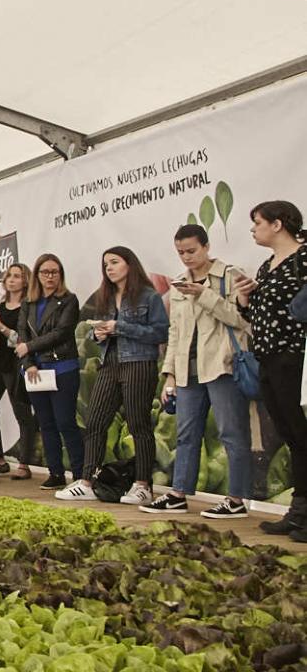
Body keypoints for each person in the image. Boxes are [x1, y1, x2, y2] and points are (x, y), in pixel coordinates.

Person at [142, 225, 253, 519]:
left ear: (206, 246)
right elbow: (175, 332)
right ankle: (178, 494)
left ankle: (237, 499)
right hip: (187, 370)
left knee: (232, 433)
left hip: (222, 366)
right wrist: (170, 374)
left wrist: (204, 294)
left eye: (191, 251)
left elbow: (241, 320)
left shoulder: (230, 275)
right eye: (180, 252)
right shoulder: (178, 283)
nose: (186, 257)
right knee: (185, 434)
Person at [56, 246, 168, 505]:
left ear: (129, 264)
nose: (109, 268)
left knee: (138, 424)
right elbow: (93, 335)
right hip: (110, 362)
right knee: (95, 421)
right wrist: (98, 335)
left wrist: (122, 327)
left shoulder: (149, 296)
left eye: (114, 262)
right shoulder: (105, 298)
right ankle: (86, 481)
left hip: (139, 363)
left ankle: (143, 485)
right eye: (105, 264)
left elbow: (160, 333)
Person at [235, 202, 307, 537]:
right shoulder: (266, 267)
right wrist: (246, 300)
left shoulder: (302, 259)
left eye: (257, 222)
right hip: (267, 356)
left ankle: (302, 511)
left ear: (277, 224)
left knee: (300, 433)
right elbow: (256, 319)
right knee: (290, 435)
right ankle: (299, 510)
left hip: (294, 356)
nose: (253, 229)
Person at [18, 254, 82, 491]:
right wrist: (28, 363)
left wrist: (29, 348)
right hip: (37, 371)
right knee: (46, 424)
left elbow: (62, 333)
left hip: (63, 367)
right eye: (45, 272)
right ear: (37, 275)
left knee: (66, 422)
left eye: (55, 272)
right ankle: (55, 472)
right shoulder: (28, 302)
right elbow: (21, 334)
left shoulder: (69, 300)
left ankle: (79, 474)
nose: (50, 277)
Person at [0, 264, 40, 479]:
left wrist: (0, 327)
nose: (11, 280)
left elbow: (23, 340)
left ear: (26, 281)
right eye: (9, 275)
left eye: (17, 276)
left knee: (23, 415)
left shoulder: (28, 307)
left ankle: (24, 464)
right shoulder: (0, 306)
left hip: (17, 364)